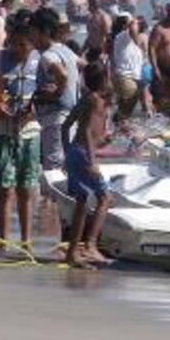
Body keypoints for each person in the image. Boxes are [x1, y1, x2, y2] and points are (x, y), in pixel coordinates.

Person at [0, 12, 42, 251]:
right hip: (1, 131)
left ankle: (26, 241)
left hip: (30, 132)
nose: (17, 48)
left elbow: (51, 94)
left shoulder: (41, 61)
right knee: (5, 188)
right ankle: (3, 241)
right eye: (14, 42)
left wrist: (36, 109)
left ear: (32, 41)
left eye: (23, 44)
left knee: (26, 187)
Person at [62, 62, 113, 268]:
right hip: (84, 155)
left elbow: (66, 127)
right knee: (105, 198)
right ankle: (90, 245)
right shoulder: (95, 101)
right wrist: (91, 161)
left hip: (76, 152)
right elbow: (87, 133)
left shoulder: (86, 99)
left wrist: (68, 154)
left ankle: (73, 252)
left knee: (82, 203)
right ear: (104, 79)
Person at [32, 7, 80, 175]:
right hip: (72, 116)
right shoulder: (67, 51)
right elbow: (85, 66)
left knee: (53, 167)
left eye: (33, 32)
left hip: (55, 118)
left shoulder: (47, 56)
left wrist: (58, 92)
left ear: (44, 31)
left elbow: (62, 73)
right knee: (67, 164)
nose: (32, 38)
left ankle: (53, 201)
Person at [111, 12, 144, 120]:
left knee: (123, 110)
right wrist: (134, 22)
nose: (136, 24)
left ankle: (117, 128)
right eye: (132, 22)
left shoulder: (121, 38)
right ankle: (119, 127)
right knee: (125, 112)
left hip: (125, 78)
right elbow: (132, 28)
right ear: (125, 25)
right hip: (126, 78)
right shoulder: (124, 35)